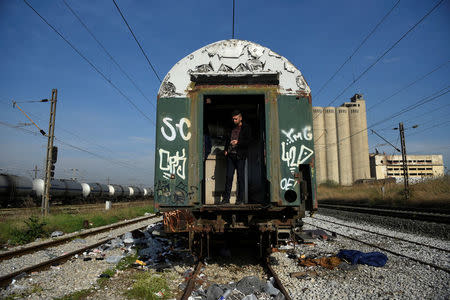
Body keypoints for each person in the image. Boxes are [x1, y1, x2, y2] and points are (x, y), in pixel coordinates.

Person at [221, 110, 251, 205]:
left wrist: (238, 142)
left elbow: (248, 141)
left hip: (240, 156)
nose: (234, 120)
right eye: (233, 119)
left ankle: (240, 200)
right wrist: (226, 149)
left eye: (236, 118)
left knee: (240, 178)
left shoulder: (246, 128)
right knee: (229, 177)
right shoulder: (231, 127)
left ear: (240, 118)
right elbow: (227, 139)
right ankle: (226, 199)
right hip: (230, 155)